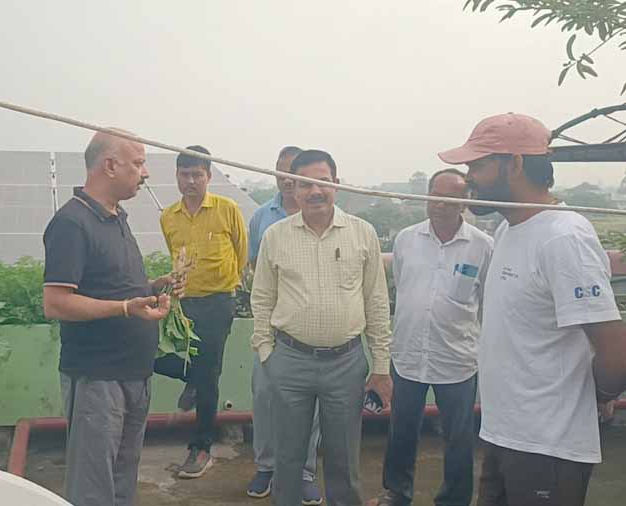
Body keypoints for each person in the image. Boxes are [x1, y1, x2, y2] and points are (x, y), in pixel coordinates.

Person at [438, 113, 626, 506]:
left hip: (547, 446)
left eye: (478, 165)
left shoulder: (563, 237)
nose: (469, 178)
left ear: (516, 164)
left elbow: (613, 346)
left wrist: (598, 395)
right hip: (505, 434)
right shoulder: (509, 228)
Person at [42, 129, 183, 506]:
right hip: (98, 377)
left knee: (122, 481)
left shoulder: (116, 217)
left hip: (133, 372)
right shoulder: (72, 223)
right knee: (94, 486)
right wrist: (124, 308)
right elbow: (56, 303)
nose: (145, 172)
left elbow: (112, 286)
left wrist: (153, 287)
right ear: (109, 166)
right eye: (138, 163)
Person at [252, 149, 393, 506]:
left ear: (336, 184)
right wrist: (267, 353)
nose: (315, 191)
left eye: (322, 182)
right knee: (287, 457)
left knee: (344, 458)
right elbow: (262, 298)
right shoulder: (275, 236)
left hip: (346, 364)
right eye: (305, 184)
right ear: (293, 188)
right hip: (289, 361)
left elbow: (376, 303)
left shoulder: (362, 233)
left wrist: (380, 366)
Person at [367, 169, 493, 506]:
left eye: (449, 198)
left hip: (457, 359)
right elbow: (403, 286)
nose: (439, 204)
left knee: (458, 437)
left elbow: (487, 303)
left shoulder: (482, 246)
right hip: (408, 354)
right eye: (434, 196)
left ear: (465, 201)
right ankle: (396, 492)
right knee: (402, 430)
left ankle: (455, 499)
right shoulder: (406, 239)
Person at [154, 145, 248, 479]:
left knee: (209, 375)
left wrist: (228, 285)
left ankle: (201, 447)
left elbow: (241, 252)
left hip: (219, 301)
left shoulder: (227, 209)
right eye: (185, 174)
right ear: (177, 176)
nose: (191, 181)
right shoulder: (168, 217)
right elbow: (173, 255)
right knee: (154, 356)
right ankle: (193, 379)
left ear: (208, 176)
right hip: (183, 303)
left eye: (197, 175)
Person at [246, 146, 324, 505]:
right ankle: (266, 466)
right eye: (281, 171)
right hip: (272, 328)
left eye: (293, 171)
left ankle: (304, 472)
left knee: (309, 404)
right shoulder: (262, 217)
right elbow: (254, 268)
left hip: (310, 329)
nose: (287, 179)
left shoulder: (321, 215)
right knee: (265, 398)